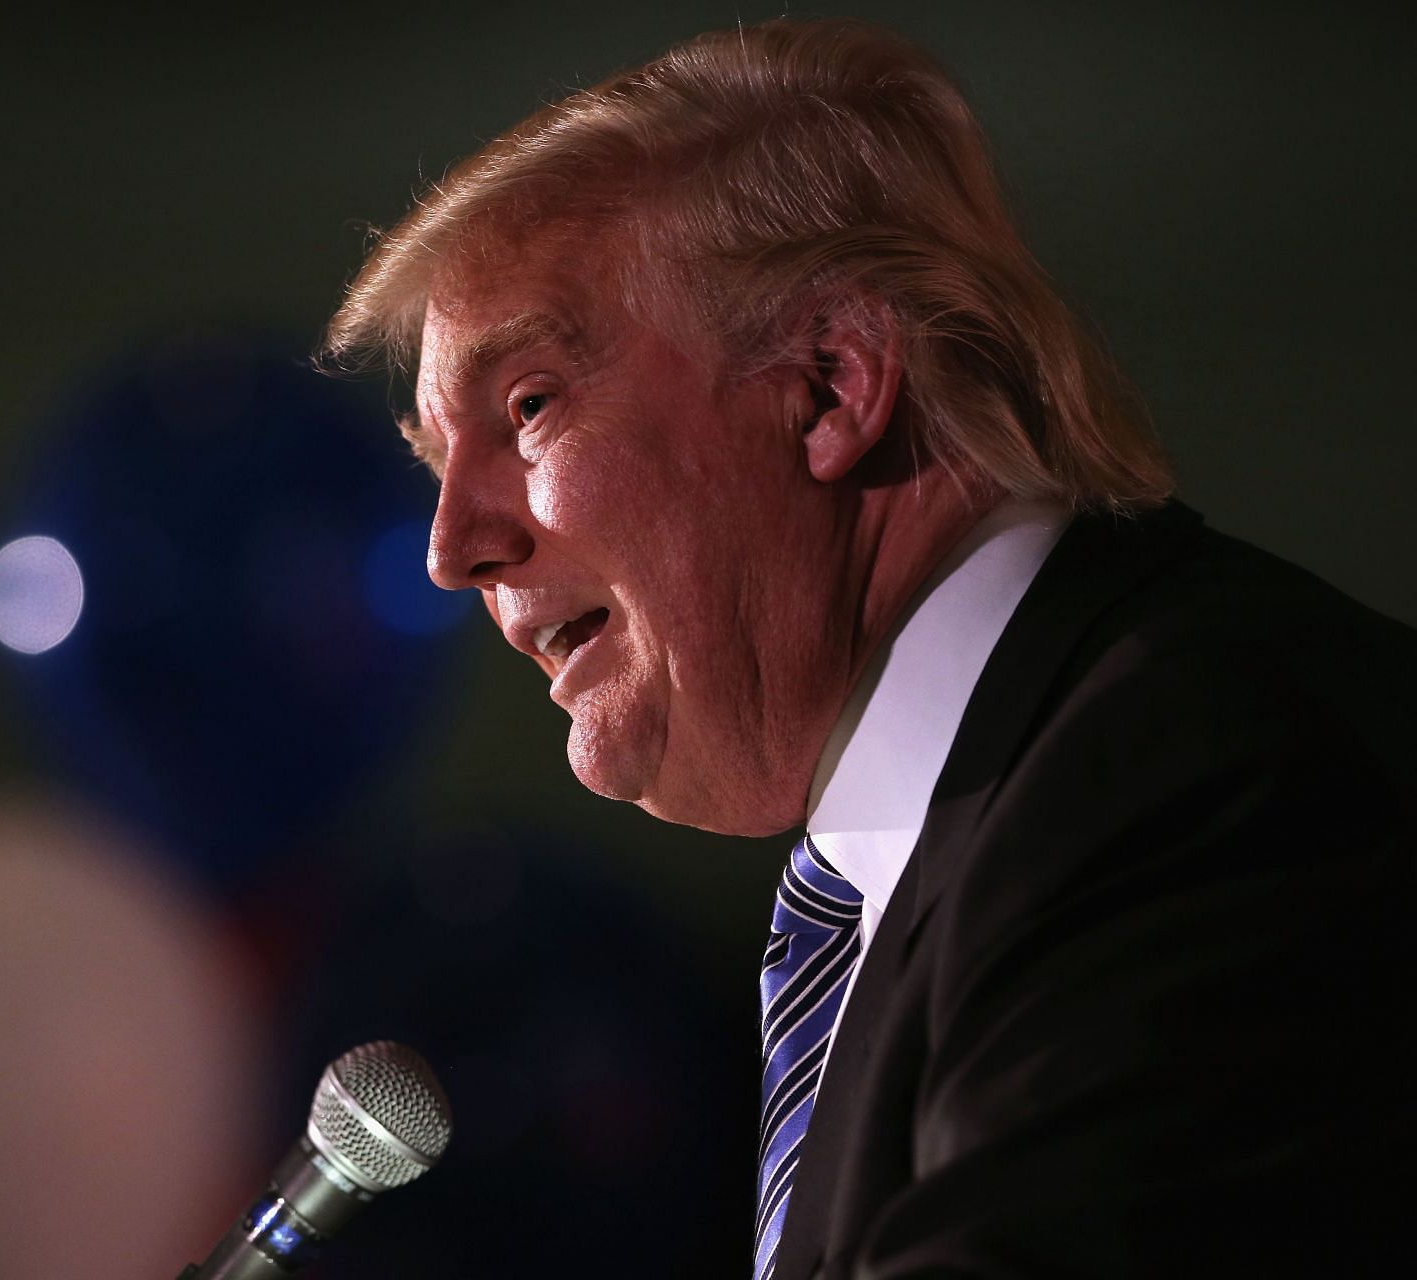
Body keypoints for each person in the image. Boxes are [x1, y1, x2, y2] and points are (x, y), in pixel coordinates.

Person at [320, 17, 1415, 1280]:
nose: (451, 547)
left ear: (835, 383)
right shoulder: (938, 863)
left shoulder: (1217, 771)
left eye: (528, 407)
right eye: (430, 463)